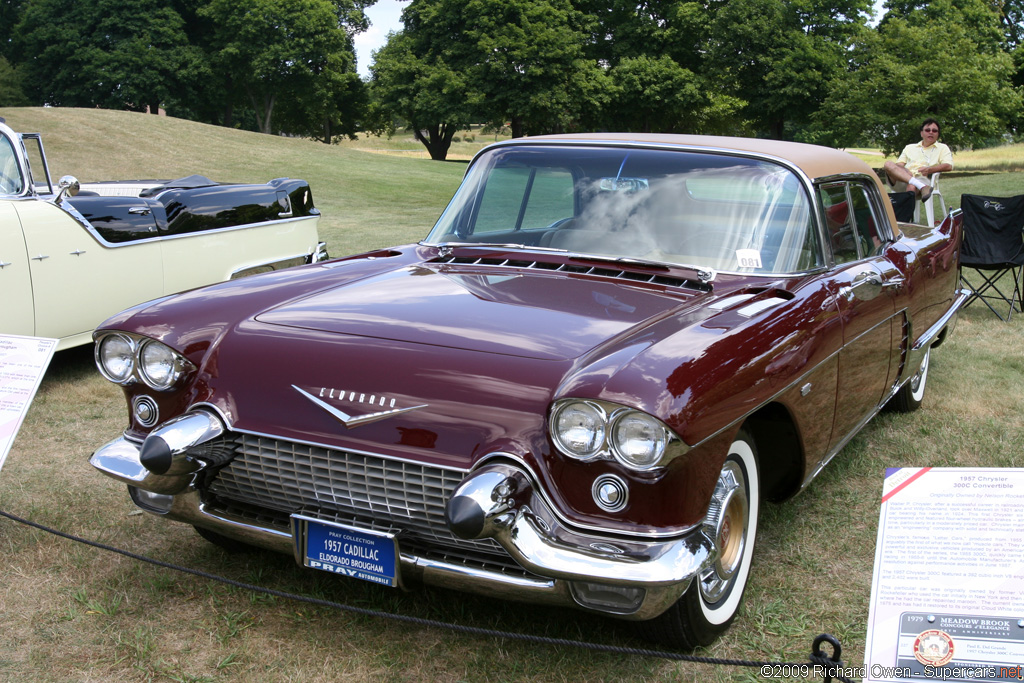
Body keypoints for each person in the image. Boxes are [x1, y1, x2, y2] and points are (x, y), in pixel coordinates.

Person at [883, 119, 953, 201]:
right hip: (903, 179)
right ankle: (921, 186)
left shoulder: (942, 148)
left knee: (911, 186)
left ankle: (918, 187)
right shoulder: (909, 147)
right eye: (927, 130)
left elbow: (948, 166)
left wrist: (929, 169)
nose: (931, 132)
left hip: (924, 179)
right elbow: (899, 165)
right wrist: (905, 171)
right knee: (888, 164)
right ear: (921, 133)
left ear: (938, 134)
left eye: (934, 131)